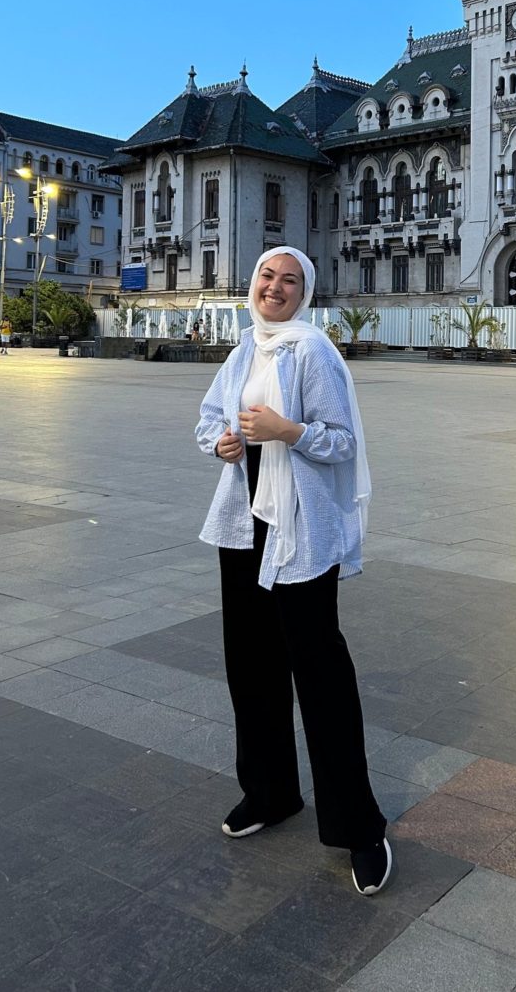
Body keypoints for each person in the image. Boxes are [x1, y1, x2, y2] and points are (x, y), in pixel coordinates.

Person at [195, 247, 391, 896]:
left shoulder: (311, 350)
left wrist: (286, 429)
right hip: (245, 523)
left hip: (300, 528)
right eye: (266, 277)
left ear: (304, 292)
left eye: (289, 280)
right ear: (252, 283)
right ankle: (271, 790)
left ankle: (359, 827)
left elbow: (342, 441)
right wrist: (224, 442)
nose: (274, 288)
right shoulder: (244, 348)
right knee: (250, 663)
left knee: (321, 671)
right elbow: (209, 420)